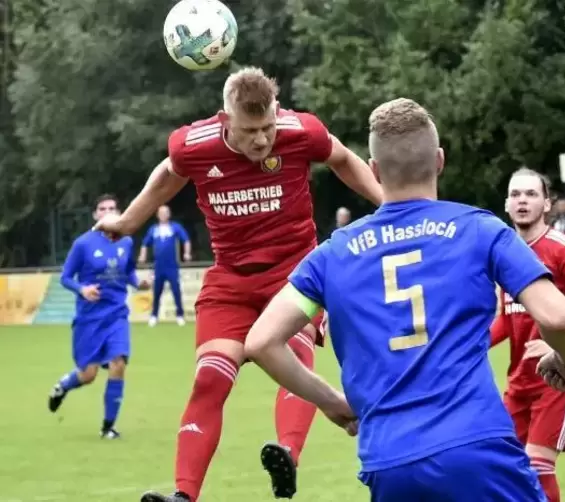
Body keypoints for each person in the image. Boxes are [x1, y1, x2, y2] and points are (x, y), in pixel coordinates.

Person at [244, 98, 565, 501]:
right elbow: (558, 318)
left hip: (389, 461)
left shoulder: (333, 255)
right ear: (439, 160)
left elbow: (262, 342)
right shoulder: (480, 230)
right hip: (476, 449)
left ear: (374, 170)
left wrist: (332, 401)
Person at [95, 67, 383, 502]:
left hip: (296, 274)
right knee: (209, 380)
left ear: (277, 112)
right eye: (250, 131)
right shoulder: (193, 144)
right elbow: (170, 172)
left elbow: (342, 158)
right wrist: (130, 220)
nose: (262, 140)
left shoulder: (301, 131)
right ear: (225, 119)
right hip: (230, 282)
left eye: (267, 127)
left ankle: (288, 455)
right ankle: (184, 496)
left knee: (295, 360)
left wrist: (393, 204)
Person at [490, 167, 565, 502]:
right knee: (501, 466)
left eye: (531, 194)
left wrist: (557, 343)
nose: (522, 200)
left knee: (538, 466)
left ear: (546, 205)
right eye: (516, 195)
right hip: (520, 380)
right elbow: (507, 319)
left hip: (561, 376)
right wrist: (471, 344)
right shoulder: (504, 252)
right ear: (507, 206)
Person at [48, 194, 150, 438]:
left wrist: (140, 283)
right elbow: (65, 277)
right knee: (88, 375)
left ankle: (108, 427)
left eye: (113, 208)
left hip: (116, 315)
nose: (108, 212)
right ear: (95, 215)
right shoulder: (83, 244)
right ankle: (63, 386)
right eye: (102, 209)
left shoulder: (125, 241)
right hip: (90, 319)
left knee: (119, 363)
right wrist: (82, 289)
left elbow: (129, 273)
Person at [139, 205, 192, 327]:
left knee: (176, 291)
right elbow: (144, 244)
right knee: (157, 292)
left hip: (172, 266)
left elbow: (186, 240)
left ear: (169, 214)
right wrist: (142, 256)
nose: (163, 215)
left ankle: (180, 315)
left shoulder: (175, 227)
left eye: (166, 212)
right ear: (157, 215)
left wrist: (187, 253)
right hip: (158, 267)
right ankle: (154, 316)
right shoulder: (153, 229)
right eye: (161, 213)